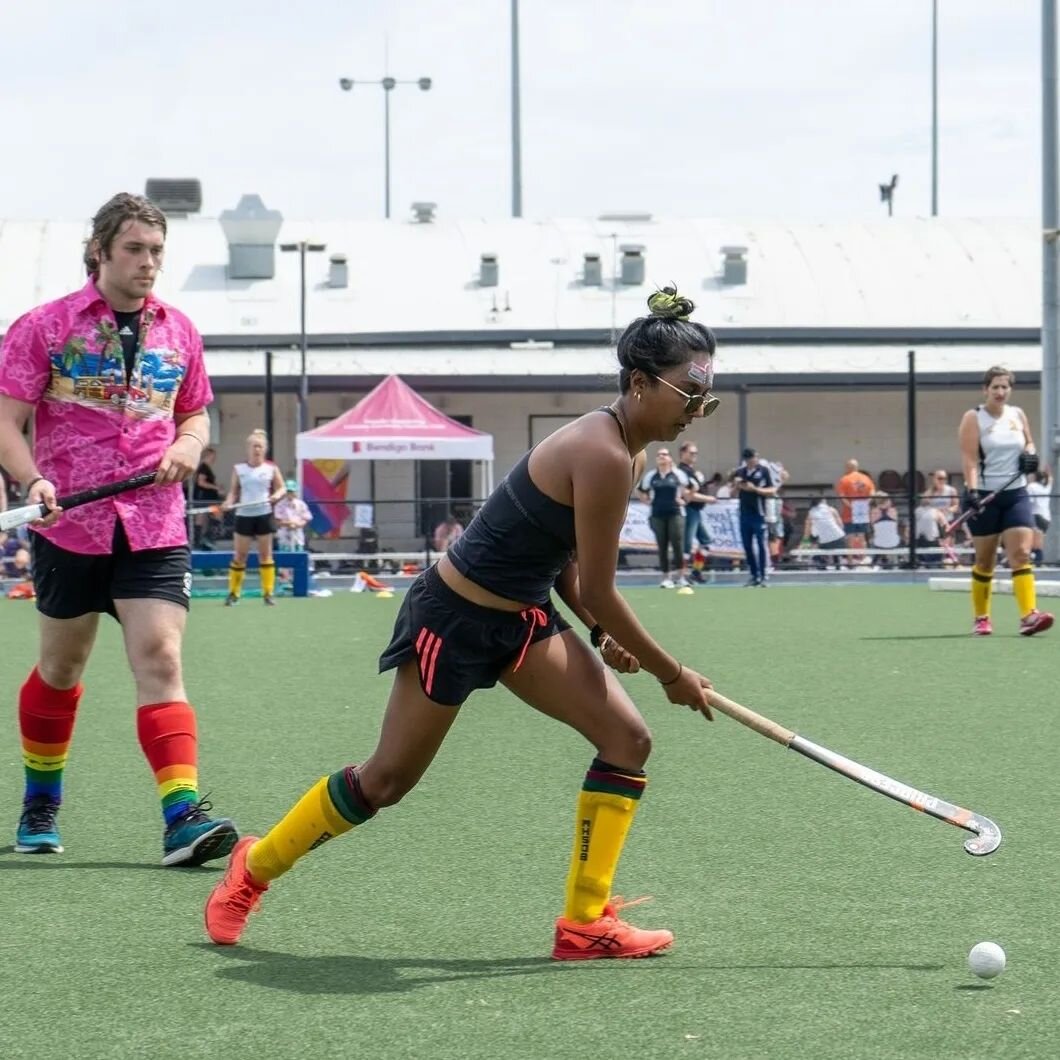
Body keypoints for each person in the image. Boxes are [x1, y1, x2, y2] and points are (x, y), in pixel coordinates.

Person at [204, 285, 718, 958]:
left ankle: (584, 924)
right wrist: (671, 673)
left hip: (522, 619)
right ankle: (256, 867)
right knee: (385, 781)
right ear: (640, 383)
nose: (696, 414)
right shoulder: (600, 452)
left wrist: (597, 631)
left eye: (707, 399)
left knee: (627, 741)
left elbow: (565, 566)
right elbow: (599, 585)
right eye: (689, 396)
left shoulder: (630, 452)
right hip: (451, 621)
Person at [0, 191, 237, 864]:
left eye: (157, 250)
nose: (148, 263)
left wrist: (191, 444)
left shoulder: (180, 331)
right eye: (134, 249)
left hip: (155, 526)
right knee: (61, 666)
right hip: (68, 525)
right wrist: (33, 480)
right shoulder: (43, 328)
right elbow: (6, 422)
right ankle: (40, 806)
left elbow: (194, 415)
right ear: (100, 251)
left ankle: (181, 818)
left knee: (160, 657)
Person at [958, 366, 1053, 636]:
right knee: (985, 561)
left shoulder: (1018, 414)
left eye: (1005, 387)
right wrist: (973, 491)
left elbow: (1029, 444)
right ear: (985, 389)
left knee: (1021, 554)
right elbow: (969, 459)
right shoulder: (973, 418)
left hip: (1016, 494)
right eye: (995, 387)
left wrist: (1031, 455)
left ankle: (1029, 616)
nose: (1000, 392)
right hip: (986, 495)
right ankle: (982, 618)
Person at [223, 429, 285, 607]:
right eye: (253, 446)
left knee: (265, 555)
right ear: (248, 448)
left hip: (264, 514)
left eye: (260, 446)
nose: (257, 449)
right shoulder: (239, 469)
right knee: (240, 555)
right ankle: (234, 594)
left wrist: (276, 496)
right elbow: (233, 493)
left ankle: (268, 593)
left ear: (265, 449)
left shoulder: (271, 468)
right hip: (244, 515)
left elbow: (280, 488)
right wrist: (228, 503)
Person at [638, 448, 690, 588]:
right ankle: (666, 578)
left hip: (676, 513)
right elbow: (641, 491)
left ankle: (681, 577)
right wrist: (648, 501)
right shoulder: (651, 476)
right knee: (662, 546)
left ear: (670, 458)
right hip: (657, 515)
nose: (661, 457)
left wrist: (684, 500)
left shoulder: (678, 474)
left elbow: (690, 489)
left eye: (665, 454)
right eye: (659, 454)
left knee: (677, 544)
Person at [732, 448, 777, 586]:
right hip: (744, 514)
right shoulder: (741, 472)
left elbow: (772, 490)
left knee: (760, 544)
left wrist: (755, 489)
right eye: (752, 457)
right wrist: (737, 485)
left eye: (756, 457)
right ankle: (754, 575)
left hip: (759, 514)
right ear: (747, 459)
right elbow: (733, 493)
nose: (755, 459)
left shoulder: (763, 471)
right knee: (747, 546)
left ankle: (763, 575)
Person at [677, 441, 716, 583]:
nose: (694, 455)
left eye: (695, 453)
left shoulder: (691, 471)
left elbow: (697, 489)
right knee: (686, 545)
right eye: (691, 453)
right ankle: (681, 576)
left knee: (706, 541)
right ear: (682, 453)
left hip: (696, 510)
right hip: (688, 509)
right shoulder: (681, 471)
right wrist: (708, 498)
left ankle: (696, 571)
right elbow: (688, 493)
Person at [835, 459, 875, 566]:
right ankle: (863, 560)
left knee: (850, 538)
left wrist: (852, 507)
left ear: (848, 467)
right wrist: (865, 505)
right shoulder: (866, 478)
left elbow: (842, 497)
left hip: (849, 514)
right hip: (863, 513)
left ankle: (850, 561)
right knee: (862, 537)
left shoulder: (844, 479)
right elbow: (872, 493)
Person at [801, 493, 846, 570]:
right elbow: (841, 525)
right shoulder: (831, 509)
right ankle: (837, 565)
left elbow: (807, 532)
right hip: (840, 539)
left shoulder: (811, 513)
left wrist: (804, 543)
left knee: (818, 547)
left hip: (826, 542)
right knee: (832, 543)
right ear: (823, 501)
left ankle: (822, 566)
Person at [191, 445, 222, 549]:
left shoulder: (206, 468)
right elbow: (201, 482)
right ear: (208, 456)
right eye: (213, 456)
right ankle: (202, 540)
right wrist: (215, 487)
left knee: (213, 516)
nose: (214, 459)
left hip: (209, 498)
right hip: (204, 498)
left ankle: (207, 539)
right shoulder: (203, 467)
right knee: (203, 518)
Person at [274, 478, 313, 553]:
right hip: (284, 536)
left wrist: (298, 524)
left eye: (292, 491)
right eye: (288, 491)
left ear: (295, 491)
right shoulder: (279, 505)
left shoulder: (301, 504)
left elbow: (306, 518)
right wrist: (290, 523)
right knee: (284, 558)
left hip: (298, 535)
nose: (290, 493)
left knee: (298, 555)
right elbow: (278, 521)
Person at [869, 491, 902, 569]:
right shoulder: (893, 511)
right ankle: (900, 558)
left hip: (879, 543)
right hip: (893, 542)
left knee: (877, 539)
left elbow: (873, 527)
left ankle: (874, 562)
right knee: (897, 537)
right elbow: (895, 527)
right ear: (887, 500)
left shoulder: (873, 512)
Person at [1026, 467, 1052, 567]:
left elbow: (1029, 501)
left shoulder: (1031, 486)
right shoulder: (1046, 487)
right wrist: (1048, 474)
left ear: (1034, 477)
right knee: (1039, 540)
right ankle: (1038, 561)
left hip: (1035, 514)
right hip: (1046, 517)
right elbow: (1050, 480)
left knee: (1032, 541)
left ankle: (1036, 561)